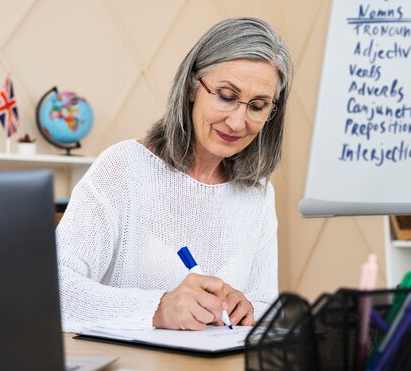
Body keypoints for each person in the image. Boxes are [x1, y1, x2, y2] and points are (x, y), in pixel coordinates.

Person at [56, 17, 293, 332]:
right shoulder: (122, 168)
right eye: (225, 95)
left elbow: (265, 307)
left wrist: (246, 309)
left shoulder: (258, 194)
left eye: (258, 106)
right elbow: (53, 290)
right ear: (193, 87)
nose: (238, 122)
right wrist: (157, 309)